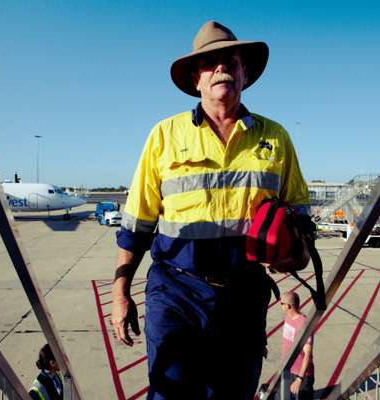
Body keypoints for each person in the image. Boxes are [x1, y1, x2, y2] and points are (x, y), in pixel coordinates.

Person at [111, 20, 310, 399]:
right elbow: (136, 225)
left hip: (245, 294)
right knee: (170, 391)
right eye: (210, 63)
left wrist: (294, 250)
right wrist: (121, 292)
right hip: (176, 289)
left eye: (230, 61)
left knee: (233, 392)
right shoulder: (164, 135)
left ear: (244, 74)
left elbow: (300, 215)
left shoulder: (275, 137)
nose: (221, 68)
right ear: (195, 79)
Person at [280, 292, 314, 400]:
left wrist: (300, 378)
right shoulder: (288, 318)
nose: (279, 305)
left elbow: (308, 354)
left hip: (301, 375)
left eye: (281, 303)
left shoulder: (303, 324)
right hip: (288, 370)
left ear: (288, 306)